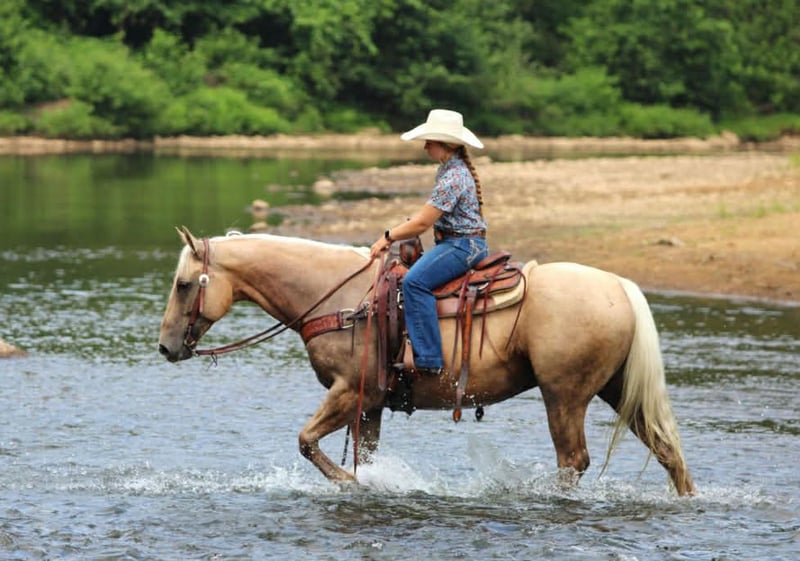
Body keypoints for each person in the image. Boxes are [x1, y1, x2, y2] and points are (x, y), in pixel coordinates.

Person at [370, 109, 488, 376]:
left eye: (429, 141)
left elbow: (423, 222)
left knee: (414, 283)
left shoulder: (453, 177)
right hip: (460, 243)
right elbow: (428, 217)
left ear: (444, 144)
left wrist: (388, 237)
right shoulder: (449, 170)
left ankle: (429, 359)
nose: (425, 146)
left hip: (462, 246)